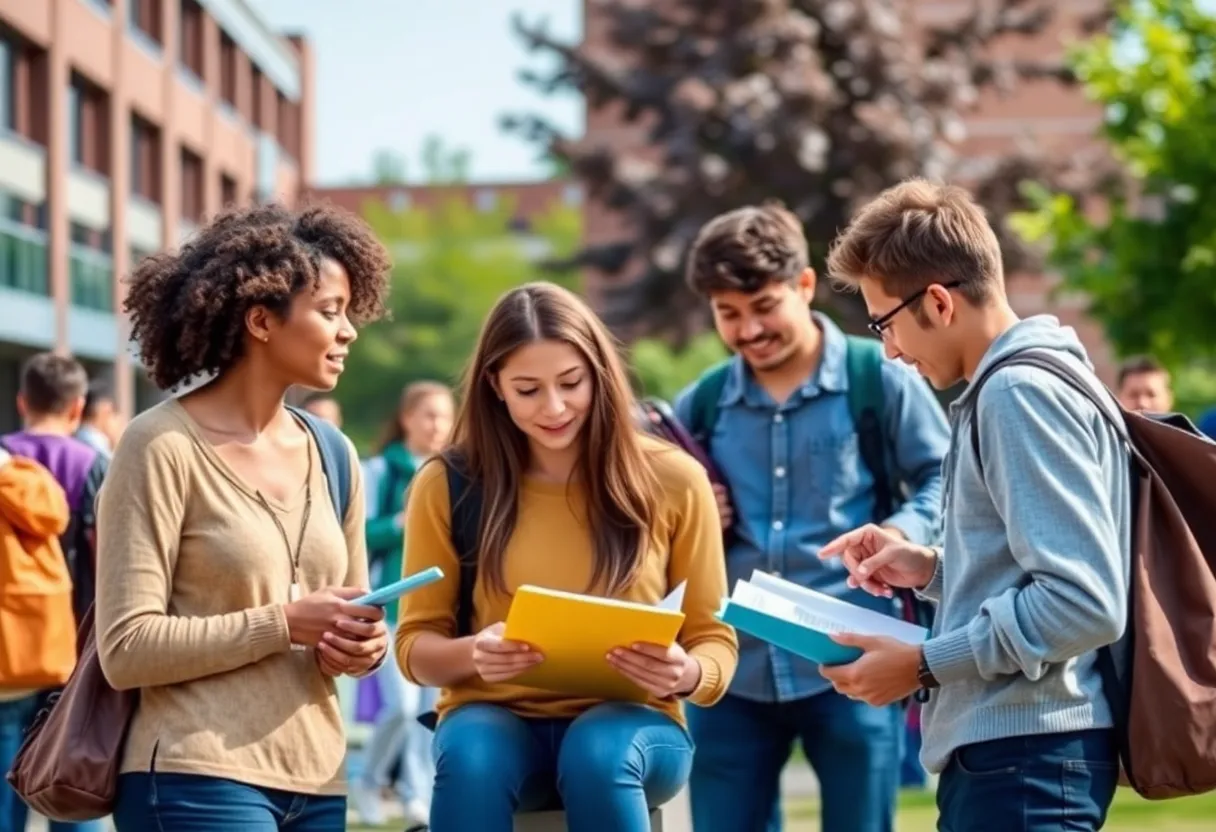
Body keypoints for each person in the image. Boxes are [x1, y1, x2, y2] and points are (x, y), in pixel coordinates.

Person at [819, 179, 1129, 831]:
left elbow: (1084, 601)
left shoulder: (1017, 393)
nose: (892, 351)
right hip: (1016, 760)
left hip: (1027, 762)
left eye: (885, 323)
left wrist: (924, 663)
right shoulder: (1018, 384)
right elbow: (1031, 571)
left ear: (936, 300)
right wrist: (932, 569)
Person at [95, 202, 395, 832]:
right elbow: (126, 648)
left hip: (316, 776)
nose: (348, 332)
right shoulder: (159, 445)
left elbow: (355, 608)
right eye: (330, 311)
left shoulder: (334, 453)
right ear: (262, 320)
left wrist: (362, 645)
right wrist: (283, 622)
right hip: (193, 773)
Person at [395, 281, 738, 832]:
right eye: (528, 389)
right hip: (492, 720)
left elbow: (715, 640)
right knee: (471, 754)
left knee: (598, 752)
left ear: (599, 375)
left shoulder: (675, 479)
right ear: (495, 387)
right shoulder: (447, 483)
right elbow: (414, 647)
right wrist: (473, 654)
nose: (554, 408)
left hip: (639, 729)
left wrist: (687, 670)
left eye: (571, 383)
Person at [674, 203, 950, 832]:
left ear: (803, 286)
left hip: (855, 657)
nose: (748, 330)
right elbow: (656, 517)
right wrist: (688, 511)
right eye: (729, 314)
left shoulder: (879, 378)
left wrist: (902, 532)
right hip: (732, 670)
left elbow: (945, 478)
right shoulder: (704, 403)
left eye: (763, 306)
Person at [351, 381, 455, 828]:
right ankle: (369, 777)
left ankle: (417, 795)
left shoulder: (453, 469)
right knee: (402, 707)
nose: (437, 425)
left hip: (442, 610)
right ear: (407, 418)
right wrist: (399, 524)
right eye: (428, 415)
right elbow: (357, 534)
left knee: (430, 712)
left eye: (444, 416)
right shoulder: (380, 471)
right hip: (392, 607)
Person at [0, 446, 91, 832]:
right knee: (64, 784)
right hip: (52, 651)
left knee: (5, 797)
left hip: (6, 662)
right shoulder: (26, 476)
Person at [4, 353, 109, 625]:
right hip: (72, 621)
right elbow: (104, 551)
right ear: (77, 408)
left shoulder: (3, 458)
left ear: (22, 403)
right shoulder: (94, 465)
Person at [75, 379, 126, 456]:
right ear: (105, 411)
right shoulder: (101, 457)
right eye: (116, 417)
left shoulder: (69, 447)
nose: (120, 427)